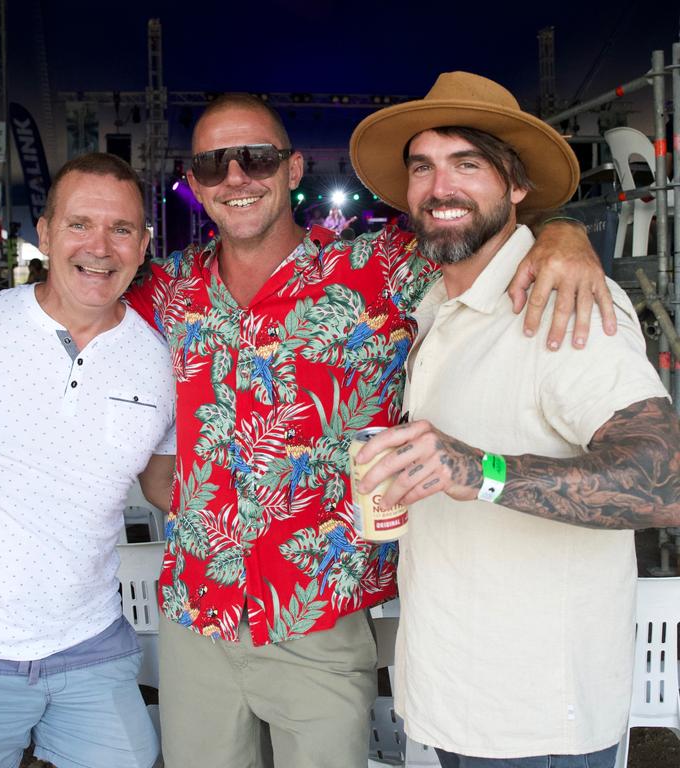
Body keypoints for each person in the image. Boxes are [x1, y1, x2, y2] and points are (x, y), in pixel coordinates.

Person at [119, 93, 617, 768]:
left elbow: (484, 228)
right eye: (213, 164)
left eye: (257, 157)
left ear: (293, 168)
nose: (236, 176)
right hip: (194, 614)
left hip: (317, 617)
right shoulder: (168, 289)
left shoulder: (378, 271)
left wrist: (566, 236)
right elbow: (79, 278)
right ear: (194, 180)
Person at [349, 71, 680, 767]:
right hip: (447, 697)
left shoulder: (564, 304)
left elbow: (663, 483)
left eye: (467, 164)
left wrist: (481, 469)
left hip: (536, 721)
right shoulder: (440, 302)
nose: (441, 188)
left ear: (516, 187)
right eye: (423, 167)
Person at [0, 152, 174, 768]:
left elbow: (164, 483)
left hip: (92, 646)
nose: (100, 246)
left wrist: (278, 503)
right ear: (47, 233)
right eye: (80, 224)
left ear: (142, 244)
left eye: (122, 229)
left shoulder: (161, 362)